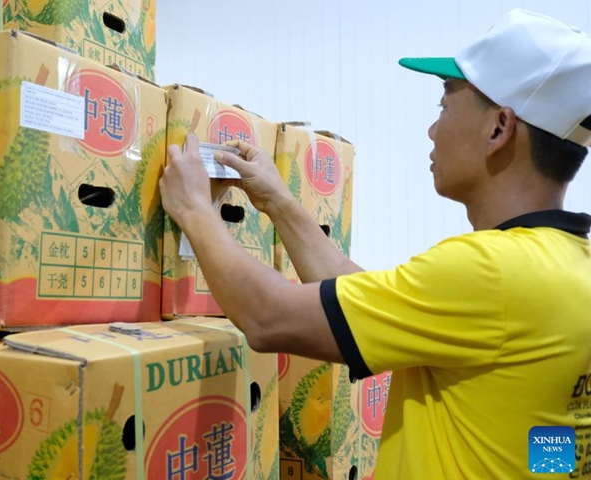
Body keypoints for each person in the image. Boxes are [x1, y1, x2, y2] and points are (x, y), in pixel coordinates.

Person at [159, 9, 591, 479]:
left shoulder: (491, 272)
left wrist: (194, 210)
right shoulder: (568, 269)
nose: (432, 130)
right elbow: (358, 303)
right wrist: (280, 203)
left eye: (444, 106)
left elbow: (268, 317)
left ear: (498, 128)